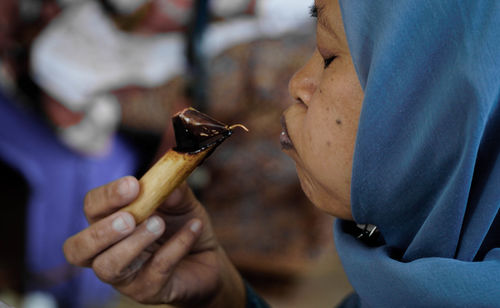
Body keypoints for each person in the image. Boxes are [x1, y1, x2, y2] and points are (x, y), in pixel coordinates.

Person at [63, 0, 500, 307]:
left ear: (445, 107)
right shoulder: (400, 279)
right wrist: (223, 295)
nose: (297, 83)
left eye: (329, 56)